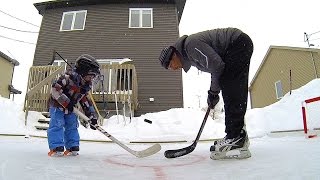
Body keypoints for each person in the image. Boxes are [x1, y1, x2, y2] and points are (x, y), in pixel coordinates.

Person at [158, 27, 253, 160]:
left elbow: (217, 66)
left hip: (236, 44)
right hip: (237, 46)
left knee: (231, 87)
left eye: (169, 65)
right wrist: (213, 92)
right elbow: (217, 68)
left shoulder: (190, 46)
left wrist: (213, 92)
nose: (172, 69)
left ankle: (235, 138)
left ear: (173, 55)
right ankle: (238, 135)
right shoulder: (189, 52)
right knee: (232, 87)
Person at [47, 54, 100, 156]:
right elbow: (55, 89)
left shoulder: (84, 86)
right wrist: (66, 102)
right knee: (57, 124)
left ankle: (72, 146)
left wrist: (91, 117)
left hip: (71, 108)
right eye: (90, 76)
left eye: (93, 77)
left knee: (72, 125)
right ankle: (56, 147)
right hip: (57, 106)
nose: (91, 79)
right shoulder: (66, 78)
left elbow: (85, 101)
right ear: (83, 73)